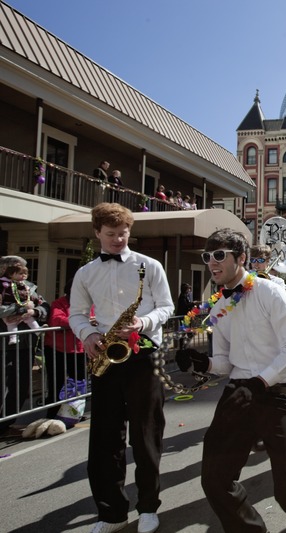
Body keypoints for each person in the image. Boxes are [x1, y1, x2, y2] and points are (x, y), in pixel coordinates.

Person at [175, 229, 286, 533]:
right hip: (238, 395)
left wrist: (260, 383)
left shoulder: (269, 292)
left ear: (241, 258)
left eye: (219, 255)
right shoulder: (218, 306)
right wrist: (205, 363)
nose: (211, 262)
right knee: (214, 479)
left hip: (278, 396)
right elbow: (227, 362)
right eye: (207, 256)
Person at [69, 202, 173, 533]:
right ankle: (111, 512)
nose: (118, 240)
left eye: (123, 234)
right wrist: (87, 334)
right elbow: (76, 313)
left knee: (146, 435)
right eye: (111, 234)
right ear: (97, 232)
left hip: (143, 354)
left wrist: (143, 321)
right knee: (105, 440)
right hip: (107, 357)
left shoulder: (150, 265)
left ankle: (148, 507)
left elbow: (167, 306)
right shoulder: (85, 273)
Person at [0, 255, 48, 435]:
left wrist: (34, 311)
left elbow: (45, 307)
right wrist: (20, 310)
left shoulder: (29, 288)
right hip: (3, 342)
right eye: (16, 268)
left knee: (20, 384)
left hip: (25, 344)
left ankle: (8, 423)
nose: (21, 273)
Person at [42, 277, 87, 419]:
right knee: (57, 382)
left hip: (79, 349)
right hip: (57, 349)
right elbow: (56, 320)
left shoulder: (88, 304)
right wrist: (80, 321)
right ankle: (53, 413)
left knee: (79, 383)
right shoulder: (59, 303)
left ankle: (75, 413)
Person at [1, 263, 42, 344]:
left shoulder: (27, 285)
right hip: (10, 308)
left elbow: (31, 297)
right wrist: (20, 308)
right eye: (20, 273)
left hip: (26, 342)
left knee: (30, 319)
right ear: (10, 274)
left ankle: (38, 330)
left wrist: (36, 303)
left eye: (25, 273)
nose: (23, 275)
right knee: (11, 323)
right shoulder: (5, 285)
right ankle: (13, 338)